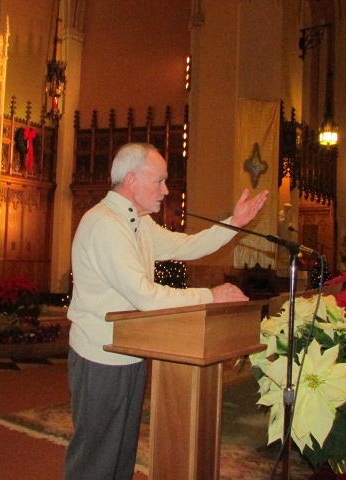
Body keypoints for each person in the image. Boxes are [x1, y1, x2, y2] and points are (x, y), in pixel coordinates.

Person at [64, 142, 269, 480]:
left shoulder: (137, 222)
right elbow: (145, 296)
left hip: (128, 350)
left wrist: (234, 223)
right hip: (99, 356)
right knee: (95, 457)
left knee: (120, 454)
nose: (166, 190)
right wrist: (210, 296)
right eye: (159, 181)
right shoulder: (105, 224)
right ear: (132, 180)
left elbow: (186, 246)